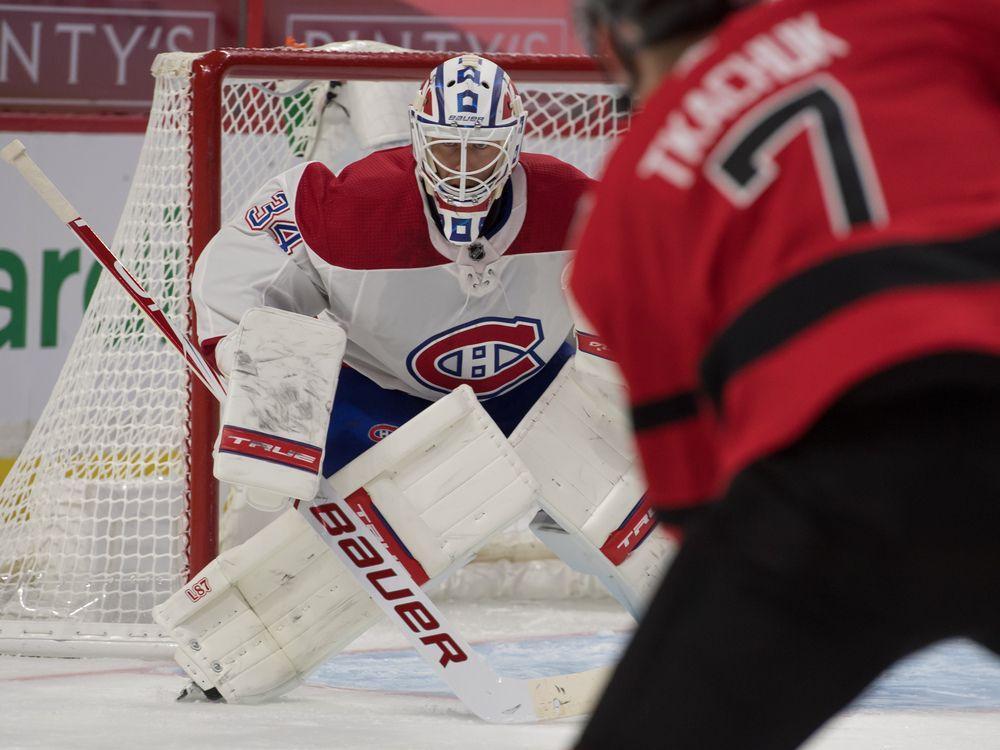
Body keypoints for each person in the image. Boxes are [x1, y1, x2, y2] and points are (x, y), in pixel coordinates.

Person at [570, 1, 1000, 748]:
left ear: (612, 39)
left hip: (827, 487)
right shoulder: (899, 16)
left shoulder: (625, 204)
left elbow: (696, 496)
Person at [193, 53, 591, 480]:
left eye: (479, 148)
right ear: (418, 137)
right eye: (445, 146)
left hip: (533, 390)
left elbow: (647, 278)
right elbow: (235, 278)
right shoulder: (349, 206)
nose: (462, 170)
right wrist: (245, 356)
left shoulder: (571, 203)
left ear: (513, 143)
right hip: (381, 395)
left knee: (618, 494)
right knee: (278, 351)